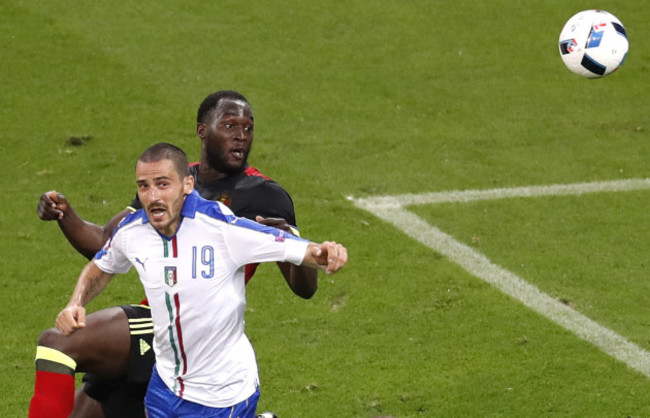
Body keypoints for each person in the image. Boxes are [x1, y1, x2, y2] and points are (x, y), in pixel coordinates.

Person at [29, 91, 318, 418]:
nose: (241, 135)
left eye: (248, 128)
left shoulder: (264, 195)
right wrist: (65, 215)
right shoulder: (170, 180)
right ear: (202, 130)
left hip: (191, 331)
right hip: (157, 318)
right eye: (229, 125)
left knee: (58, 344)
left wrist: (294, 244)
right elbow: (106, 243)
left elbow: (304, 288)